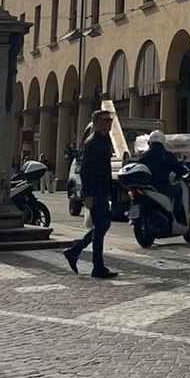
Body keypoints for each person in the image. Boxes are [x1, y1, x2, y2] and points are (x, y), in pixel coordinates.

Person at [63, 110, 118, 278]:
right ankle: (96, 266)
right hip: (95, 191)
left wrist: (109, 190)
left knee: (102, 226)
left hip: (102, 190)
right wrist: (88, 195)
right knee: (101, 227)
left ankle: (75, 252)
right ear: (96, 123)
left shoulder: (104, 140)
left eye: (110, 120)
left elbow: (105, 169)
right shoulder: (92, 143)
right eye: (105, 121)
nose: (108, 123)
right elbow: (87, 172)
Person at [138, 131, 190, 222]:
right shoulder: (168, 155)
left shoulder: (143, 156)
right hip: (163, 187)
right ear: (163, 142)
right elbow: (178, 168)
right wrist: (184, 171)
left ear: (150, 141)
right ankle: (178, 213)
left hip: (147, 186)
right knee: (179, 189)